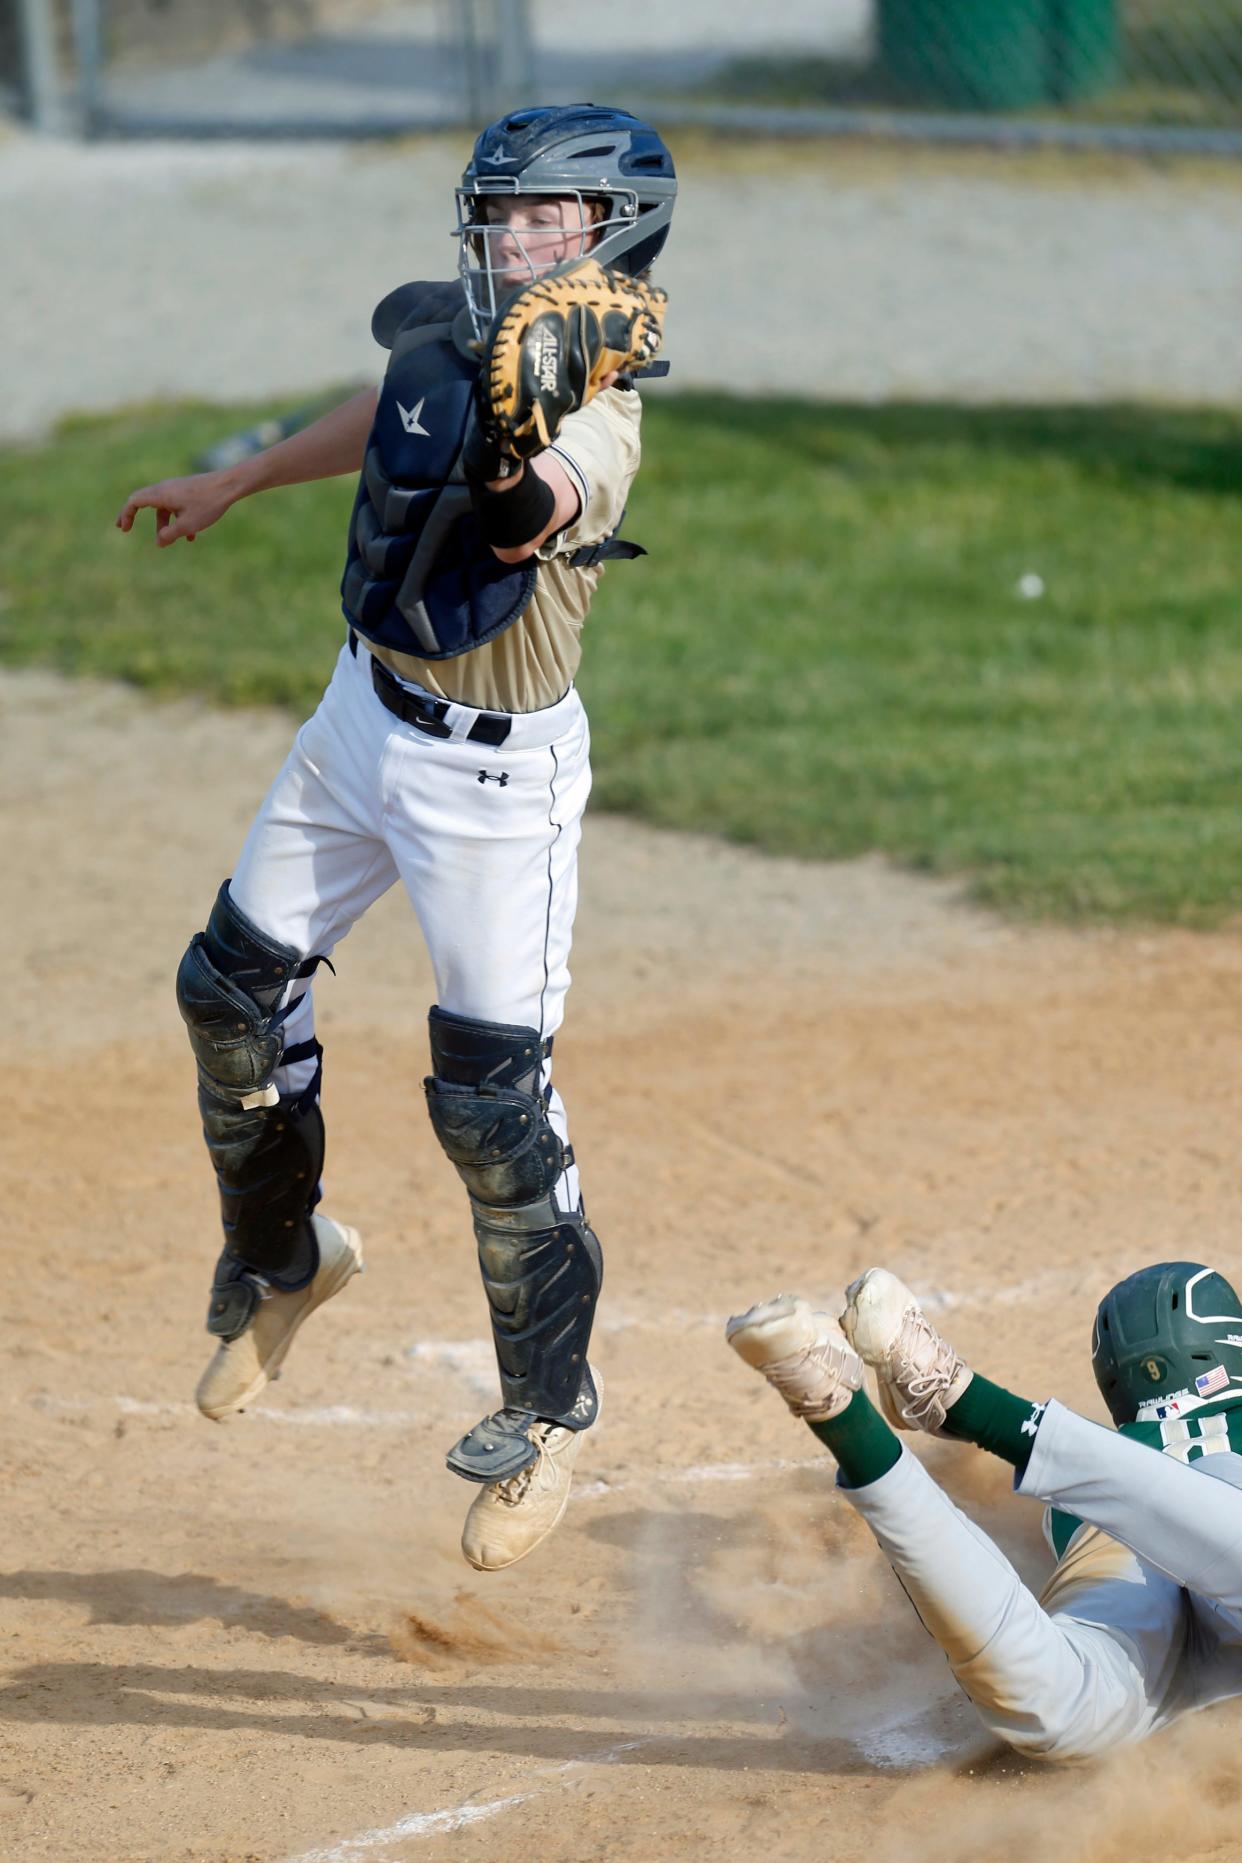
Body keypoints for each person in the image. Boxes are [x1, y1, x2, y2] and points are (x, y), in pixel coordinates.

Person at [115, 104, 677, 1572]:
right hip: (362, 719)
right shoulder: (458, 334)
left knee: (491, 1106)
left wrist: (508, 439)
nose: (507, 238)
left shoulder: (602, 413)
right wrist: (237, 476)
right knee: (227, 991)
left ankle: (551, 1407)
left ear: (610, 233)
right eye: (495, 212)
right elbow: (396, 408)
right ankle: (285, 1260)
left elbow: (517, 515)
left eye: (542, 216)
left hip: (499, 791)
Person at [727, 1261, 1242, 1759]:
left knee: (1056, 1707)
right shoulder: (1086, 1474)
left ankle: (844, 1412)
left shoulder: (1071, 1492)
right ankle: (956, 1401)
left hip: (1110, 1542)